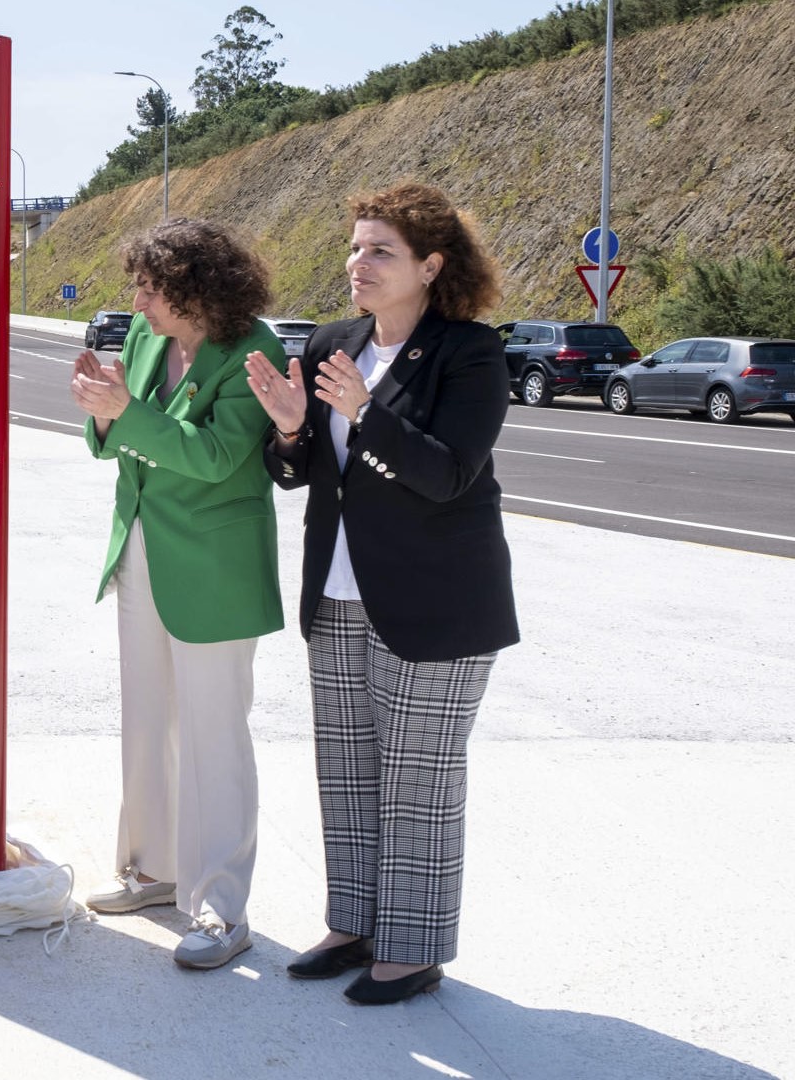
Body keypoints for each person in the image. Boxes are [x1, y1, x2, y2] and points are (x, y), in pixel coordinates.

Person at [243, 181, 518, 1005]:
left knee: (418, 780)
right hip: (337, 595)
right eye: (356, 247)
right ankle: (354, 923)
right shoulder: (336, 342)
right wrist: (291, 429)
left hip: (438, 604)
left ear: (431, 266)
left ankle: (414, 948)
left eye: (381, 251)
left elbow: (447, 474)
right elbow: (300, 476)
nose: (358, 263)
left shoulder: (470, 353)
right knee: (350, 772)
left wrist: (365, 415)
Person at [69, 218, 288, 971]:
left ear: (197, 286)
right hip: (138, 550)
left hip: (216, 566)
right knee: (147, 719)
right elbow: (118, 446)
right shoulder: (145, 340)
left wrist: (124, 415)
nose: (137, 300)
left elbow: (220, 456)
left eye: (150, 286)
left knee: (213, 734)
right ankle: (156, 870)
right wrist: (102, 413)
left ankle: (222, 907)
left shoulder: (254, 348)